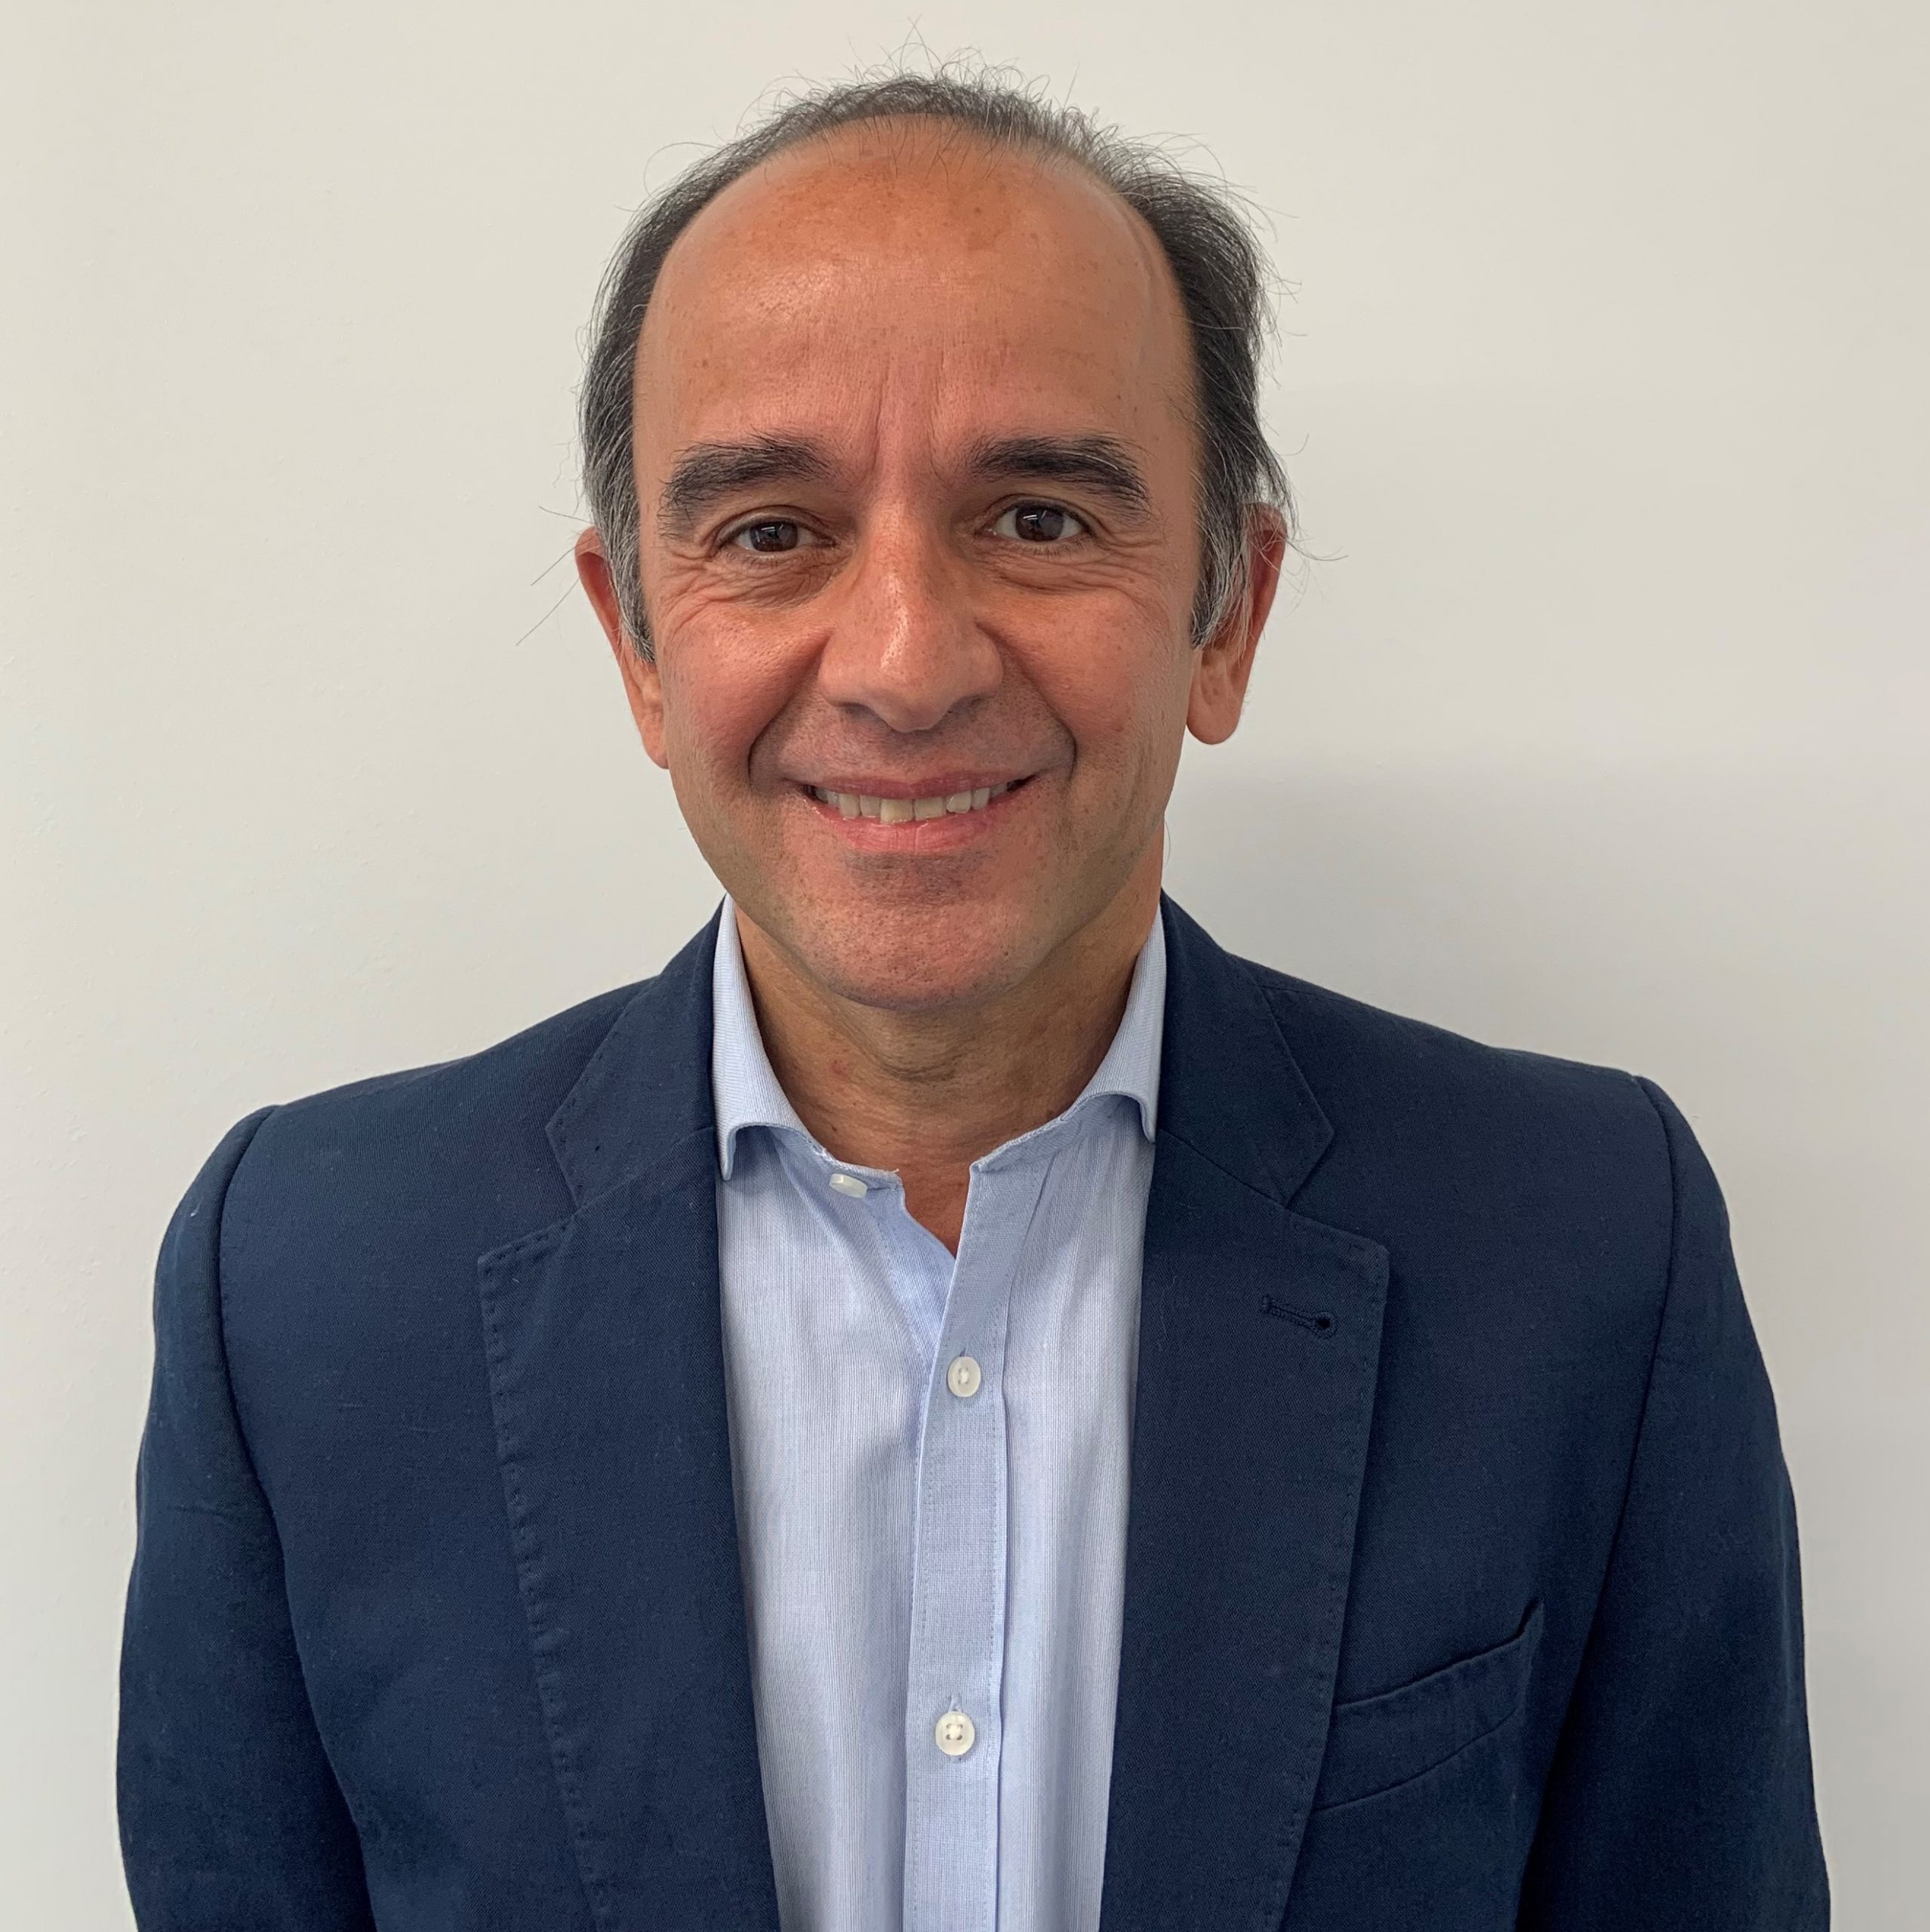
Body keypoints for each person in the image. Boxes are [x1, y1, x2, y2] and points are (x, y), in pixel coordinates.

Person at [116, 65, 1827, 1932]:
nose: (906, 663)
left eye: (1036, 516)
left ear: (1227, 615)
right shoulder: (302, 1289)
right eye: (772, 531)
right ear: (637, 645)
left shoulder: (1584, 1247)